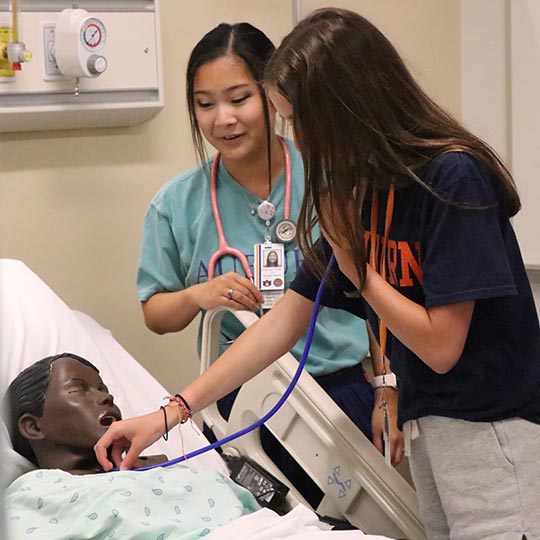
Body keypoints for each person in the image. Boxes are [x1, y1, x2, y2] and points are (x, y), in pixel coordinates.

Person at [96, 8, 540, 539]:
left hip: (491, 430)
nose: (301, 141)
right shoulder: (368, 192)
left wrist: (359, 271)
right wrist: (171, 413)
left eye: (302, 121)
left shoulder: (450, 177)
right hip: (436, 428)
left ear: (350, 107)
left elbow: (441, 345)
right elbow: (282, 323)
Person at [135, 21, 403, 506]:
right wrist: (200, 295)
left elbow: (377, 292)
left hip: (341, 390)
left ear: (274, 94)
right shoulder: (176, 204)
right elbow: (155, 314)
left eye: (239, 98)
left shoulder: (330, 177)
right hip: (242, 400)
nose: (223, 119)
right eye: (205, 103)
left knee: (367, 521)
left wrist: (387, 387)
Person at [3, 353, 259, 539]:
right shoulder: (34, 495)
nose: (106, 396)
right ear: (34, 427)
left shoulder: (164, 470)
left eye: (102, 388)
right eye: (79, 390)